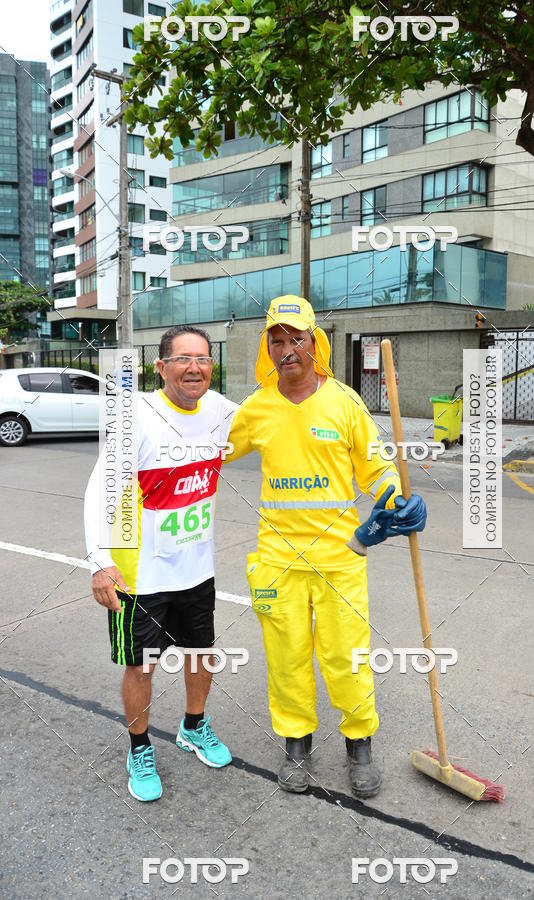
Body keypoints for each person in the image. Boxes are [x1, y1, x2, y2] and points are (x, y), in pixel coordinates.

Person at [225, 296, 426, 799]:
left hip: (340, 557)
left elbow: (375, 468)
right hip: (278, 561)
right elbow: (209, 453)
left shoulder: (344, 402)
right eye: (277, 340)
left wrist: (396, 499)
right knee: (287, 658)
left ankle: (359, 744)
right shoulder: (256, 408)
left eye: (297, 338)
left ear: (315, 343)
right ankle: (297, 745)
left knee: (348, 657)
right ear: (267, 348)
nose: (287, 349)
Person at [84, 325, 237, 802]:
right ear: (161, 366)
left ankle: (194, 726)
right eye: (182, 359)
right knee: (141, 667)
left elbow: (279, 417)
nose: (194, 368)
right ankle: (139, 747)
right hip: (141, 575)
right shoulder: (137, 416)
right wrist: (99, 561)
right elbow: (100, 491)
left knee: (201, 653)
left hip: (196, 569)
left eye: (203, 359)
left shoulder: (221, 411)